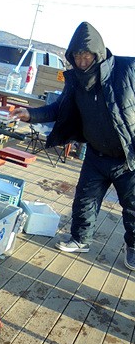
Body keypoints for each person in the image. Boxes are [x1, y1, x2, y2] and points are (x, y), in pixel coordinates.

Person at [12, 22, 135, 270]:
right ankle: (80, 239)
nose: (81, 60)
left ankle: (133, 247)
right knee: (84, 200)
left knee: (132, 207)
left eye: (86, 55)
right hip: (96, 154)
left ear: (98, 53)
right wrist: (30, 114)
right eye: (77, 55)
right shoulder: (76, 81)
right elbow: (59, 108)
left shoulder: (127, 68)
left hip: (127, 156)